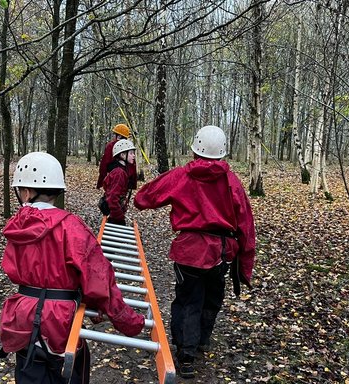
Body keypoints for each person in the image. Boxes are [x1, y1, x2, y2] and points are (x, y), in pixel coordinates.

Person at [0, 152, 145, 383]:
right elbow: (98, 279)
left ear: (25, 192)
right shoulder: (71, 227)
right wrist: (130, 322)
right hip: (61, 322)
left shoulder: (16, 227)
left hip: (23, 318)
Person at [133, 125, 256, 379]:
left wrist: (163, 186)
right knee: (211, 297)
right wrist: (245, 268)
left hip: (189, 252)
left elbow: (143, 198)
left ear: (195, 150)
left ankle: (186, 354)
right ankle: (199, 342)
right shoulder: (232, 182)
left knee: (189, 299)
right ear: (223, 153)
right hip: (221, 254)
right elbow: (246, 226)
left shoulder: (181, 176)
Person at [101, 139, 136, 226]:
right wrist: (119, 217)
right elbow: (112, 198)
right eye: (131, 153)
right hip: (115, 216)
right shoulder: (119, 173)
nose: (134, 156)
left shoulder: (122, 171)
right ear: (123, 155)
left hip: (115, 214)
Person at [97, 123, 138, 190]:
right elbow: (133, 167)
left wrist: (100, 183)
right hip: (126, 182)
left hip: (114, 180)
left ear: (118, 136)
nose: (113, 136)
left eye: (114, 134)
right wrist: (132, 185)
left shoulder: (111, 146)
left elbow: (103, 166)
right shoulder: (129, 146)